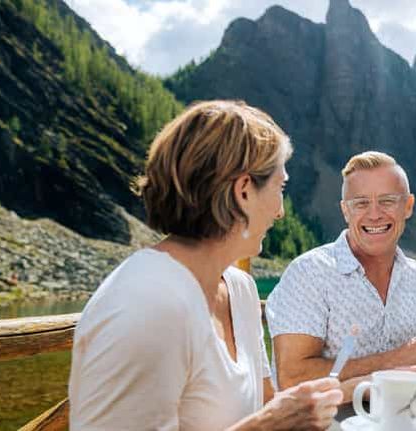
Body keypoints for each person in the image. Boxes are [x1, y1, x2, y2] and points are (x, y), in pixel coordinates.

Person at [68, 101, 343, 430]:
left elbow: (268, 403)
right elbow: (268, 420)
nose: (280, 212)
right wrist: (269, 425)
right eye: (279, 188)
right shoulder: (146, 304)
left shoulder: (240, 289)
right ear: (243, 192)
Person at [266, 151, 416, 393]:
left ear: (408, 206)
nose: (374, 214)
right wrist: (396, 360)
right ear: (345, 211)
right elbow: (293, 378)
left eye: (387, 201)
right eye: (361, 203)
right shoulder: (309, 273)